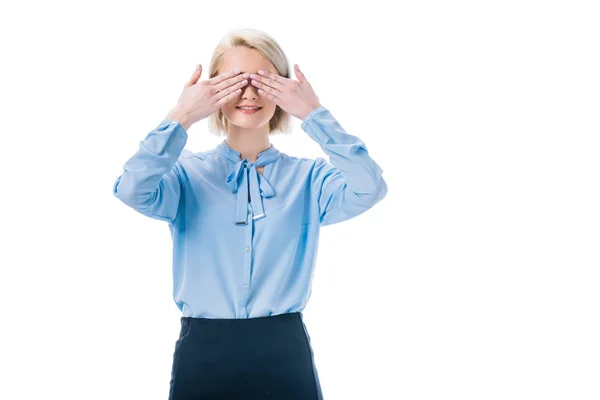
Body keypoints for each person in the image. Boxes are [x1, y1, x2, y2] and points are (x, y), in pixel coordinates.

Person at [112, 28, 387, 400]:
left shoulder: (309, 178)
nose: (250, 93)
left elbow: (369, 187)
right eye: (235, 81)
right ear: (212, 90)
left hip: (284, 352)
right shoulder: (186, 174)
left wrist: (314, 114)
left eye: (264, 81)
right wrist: (181, 116)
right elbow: (132, 189)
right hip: (203, 353)